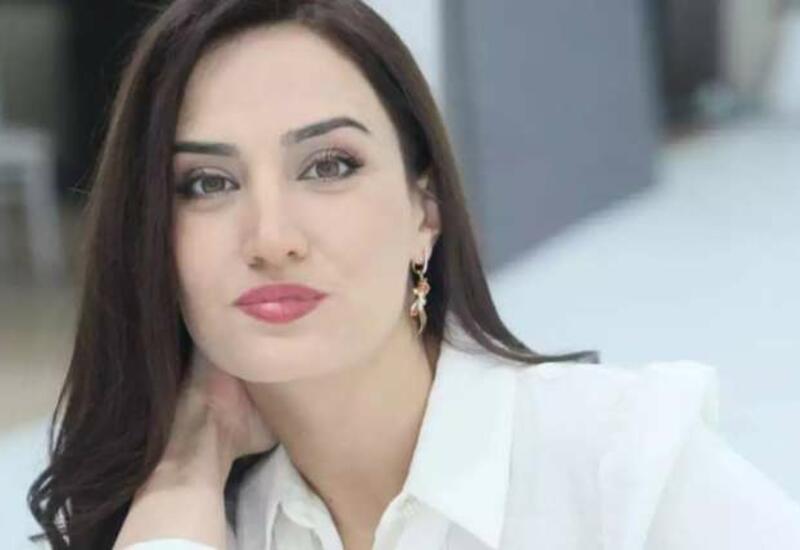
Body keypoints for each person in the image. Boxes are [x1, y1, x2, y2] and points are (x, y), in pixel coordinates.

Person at [27, 1, 800, 549]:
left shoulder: (620, 465)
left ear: (425, 212)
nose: (271, 238)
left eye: (328, 166)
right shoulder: (202, 521)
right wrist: (182, 474)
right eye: (207, 183)